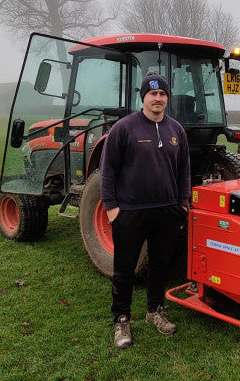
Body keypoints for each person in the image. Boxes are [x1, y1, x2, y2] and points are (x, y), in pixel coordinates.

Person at [99, 71, 191, 349]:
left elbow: (185, 170)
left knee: (160, 264)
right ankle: (122, 319)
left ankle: (154, 311)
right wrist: (112, 208)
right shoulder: (124, 128)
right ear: (143, 98)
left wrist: (183, 203)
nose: (158, 98)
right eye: (153, 94)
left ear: (167, 99)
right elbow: (108, 171)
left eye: (163, 94)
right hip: (130, 212)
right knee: (124, 269)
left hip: (166, 211)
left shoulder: (177, 130)